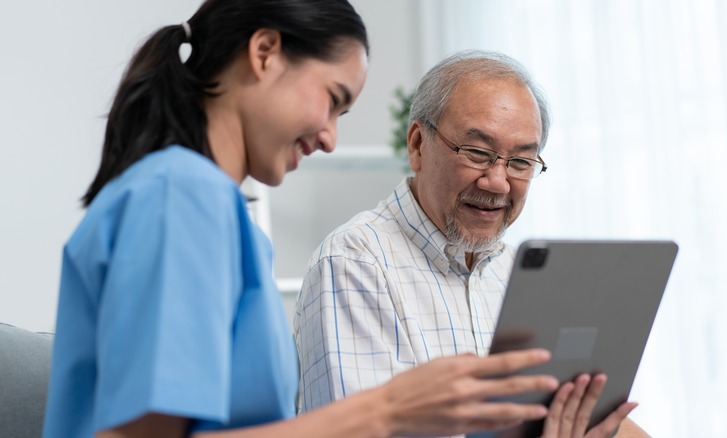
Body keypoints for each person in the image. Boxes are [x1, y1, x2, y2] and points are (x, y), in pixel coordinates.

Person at [40, 2, 613, 437]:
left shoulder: (210, 211)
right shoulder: (180, 198)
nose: (331, 138)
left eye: (518, 160)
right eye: (333, 99)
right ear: (264, 53)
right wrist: (392, 407)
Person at [294, 50, 649, 437]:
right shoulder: (354, 263)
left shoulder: (519, 272)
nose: (497, 182)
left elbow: (588, 414)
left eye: (520, 163)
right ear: (417, 145)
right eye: (478, 153)